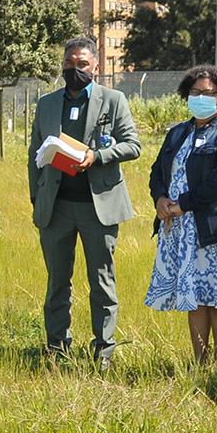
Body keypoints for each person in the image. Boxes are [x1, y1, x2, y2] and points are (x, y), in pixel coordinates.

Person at [27, 36, 137, 365]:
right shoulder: (47, 103)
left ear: (96, 67)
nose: (75, 69)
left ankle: (103, 350)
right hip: (56, 207)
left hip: (98, 208)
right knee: (57, 282)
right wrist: (37, 200)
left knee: (102, 282)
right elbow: (34, 155)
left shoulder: (113, 100)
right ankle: (56, 348)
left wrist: (97, 156)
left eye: (83, 64)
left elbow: (132, 145)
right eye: (69, 63)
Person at [146, 65, 217, 364]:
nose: (201, 97)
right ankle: (200, 362)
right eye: (195, 92)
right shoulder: (178, 132)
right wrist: (160, 198)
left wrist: (184, 203)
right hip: (183, 230)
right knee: (194, 296)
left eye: (208, 93)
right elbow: (158, 170)